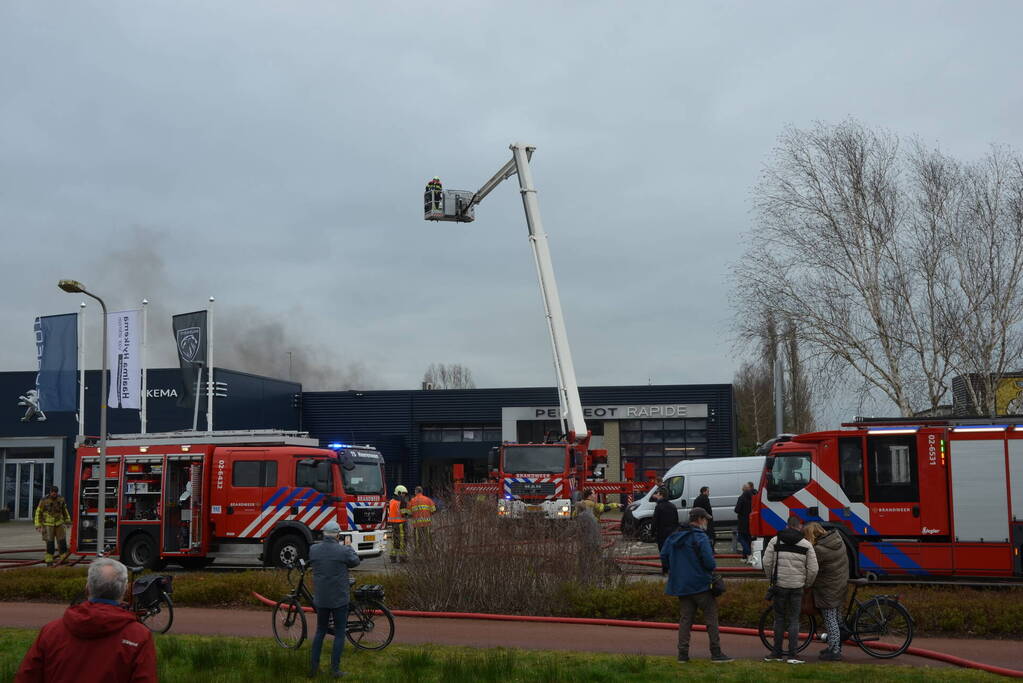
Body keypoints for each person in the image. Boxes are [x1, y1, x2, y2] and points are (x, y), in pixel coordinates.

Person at [15, 557, 156, 682]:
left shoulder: (50, 632)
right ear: (124, 592)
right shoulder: (139, 637)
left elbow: (27, 677)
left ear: (87, 588)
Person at [660, 508, 732, 664]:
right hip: (701, 585)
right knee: (711, 619)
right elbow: (710, 563)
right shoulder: (700, 537)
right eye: (705, 519)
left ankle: (683, 654)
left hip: (682, 585)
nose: (706, 522)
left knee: (685, 620)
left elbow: (664, 556)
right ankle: (716, 652)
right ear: (699, 519)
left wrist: (675, 568)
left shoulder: (674, 536)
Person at [762, 515, 819, 664]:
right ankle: (793, 655)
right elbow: (813, 569)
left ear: (787, 526)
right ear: (799, 527)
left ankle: (776, 653)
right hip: (797, 587)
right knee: (794, 620)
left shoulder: (775, 541)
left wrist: (772, 579)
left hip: (779, 586)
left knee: (779, 618)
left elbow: (766, 562)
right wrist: (806, 583)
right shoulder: (806, 544)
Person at [308, 520, 361, 678]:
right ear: (337, 535)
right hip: (339, 598)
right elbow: (355, 561)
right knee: (339, 633)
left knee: (320, 631)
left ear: (324, 534)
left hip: (321, 598)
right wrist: (348, 545)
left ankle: (314, 668)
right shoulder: (343, 550)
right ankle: (335, 670)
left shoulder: (313, 549)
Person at [803, 522, 849, 661]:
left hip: (828, 588)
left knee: (830, 619)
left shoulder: (819, 550)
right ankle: (835, 646)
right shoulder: (837, 540)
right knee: (837, 618)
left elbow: (811, 568)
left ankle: (834, 652)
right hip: (840, 583)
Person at [34, 485, 71, 566]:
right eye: (53, 492)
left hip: (59, 523)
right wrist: (38, 524)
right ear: (50, 492)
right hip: (48, 524)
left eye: (55, 492)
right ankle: (49, 559)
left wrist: (67, 521)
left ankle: (64, 557)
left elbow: (65, 510)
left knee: (62, 541)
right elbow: (38, 512)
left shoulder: (61, 499)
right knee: (50, 543)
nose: (54, 494)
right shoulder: (44, 500)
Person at [651, 486, 679, 574]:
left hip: (662, 534)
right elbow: (676, 521)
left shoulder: (659, 507)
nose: (656, 496)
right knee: (671, 552)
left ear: (662, 495)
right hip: (672, 533)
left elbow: (655, 521)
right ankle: (673, 569)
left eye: (658, 494)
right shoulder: (673, 506)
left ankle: (665, 570)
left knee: (663, 553)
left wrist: (652, 533)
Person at [733, 482, 756, 563]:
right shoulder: (753, 497)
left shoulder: (741, 498)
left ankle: (749, 553)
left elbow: (737, 510)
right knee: (748, 540)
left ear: (743, 490)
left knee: (741, 538)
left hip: (742, 521)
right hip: (751, 520)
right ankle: (744, 557)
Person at [387, 485, 410, 563]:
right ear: (399, 492)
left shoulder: (391, 501)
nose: (404, 495)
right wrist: (409, 512)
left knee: (395, 541)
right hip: (401, 523)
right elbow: (404, 514)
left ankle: (393, 557)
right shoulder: (401, 502)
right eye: (403, 493)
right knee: (403, 541)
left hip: (393, 524)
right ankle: (402, 558)